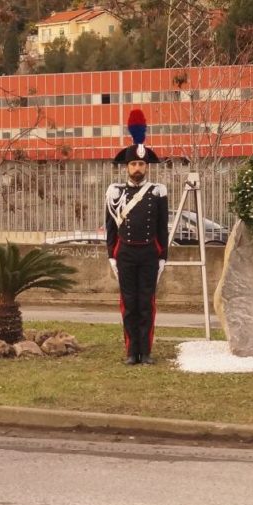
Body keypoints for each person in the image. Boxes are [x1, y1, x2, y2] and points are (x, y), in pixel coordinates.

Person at [106, 108, 168, 365]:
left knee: (147, 304)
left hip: (149, 253)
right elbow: (110, 227)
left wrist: (163, 256)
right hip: (126, 254)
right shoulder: (114, 192)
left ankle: (147, 351)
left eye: (141, 164)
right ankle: (132, 351)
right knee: (129, 303)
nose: (137, 168)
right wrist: (112, 255)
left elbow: (163, 227)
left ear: (146, 166)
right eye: (133, 164)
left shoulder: (158, 191)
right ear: (127, 167)